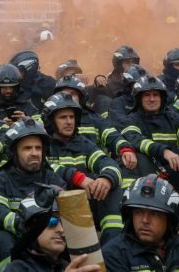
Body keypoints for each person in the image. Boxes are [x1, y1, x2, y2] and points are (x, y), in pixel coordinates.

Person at [0, 117, 73, 258]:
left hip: (49, 237)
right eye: (27, 148)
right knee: (1, 238)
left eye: (38, 148)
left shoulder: (52, 178)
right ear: (14, 153)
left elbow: (67, 214)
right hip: (16, 239)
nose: (34, 153)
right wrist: (23, 224)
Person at [41, 93, 124, 240]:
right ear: (50, 121)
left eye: (72, 117)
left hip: (86, 207)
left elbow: (106, 162)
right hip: (54, 212)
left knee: (113, 187)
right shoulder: (41, 144)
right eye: (63, 117)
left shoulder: (83, 143)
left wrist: (106, 179)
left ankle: (112, 239)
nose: (69, 122)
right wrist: (77, 177)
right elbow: (44, 168)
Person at [101, 175, 179, 272]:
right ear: (130, 216)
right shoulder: (113, 254)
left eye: (154, 213)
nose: (145, 220)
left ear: (170, 219)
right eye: (138, 212)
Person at [119, 75, 179, 191]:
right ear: (139, 98)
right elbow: (135, 139)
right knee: (138, 156)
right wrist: (164, 151)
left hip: (174, 171)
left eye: (155, 95)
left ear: (162, 98)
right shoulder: (131, 119)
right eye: (147, 95)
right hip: (146, 174)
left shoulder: (172, 117)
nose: (152, 99)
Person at [5, 187, 105, 272]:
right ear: (29, 229)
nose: (61, 230)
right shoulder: (17, 269)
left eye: (64, 224)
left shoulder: (68, 267)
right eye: (52, 222)